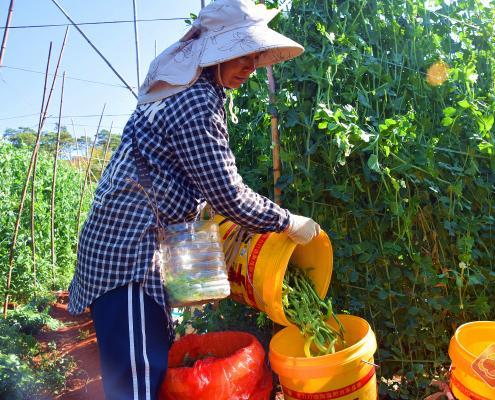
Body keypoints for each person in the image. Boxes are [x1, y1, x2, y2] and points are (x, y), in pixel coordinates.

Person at [67, 1, 319, 398]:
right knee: (135, 383)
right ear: (213, 53)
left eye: (254, 57)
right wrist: (288, 221)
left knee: (147, 367)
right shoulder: (195, 100)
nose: (249, 67)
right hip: (129, 255)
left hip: (133, 244)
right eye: (239, 56)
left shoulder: (179, 86)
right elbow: (228, 194)